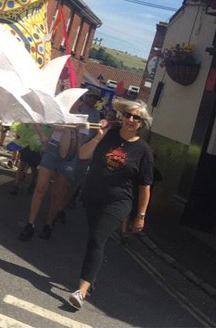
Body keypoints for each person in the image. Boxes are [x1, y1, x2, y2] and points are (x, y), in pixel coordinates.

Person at [66, 100, 154, 311]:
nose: (131, 120)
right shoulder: (107, 136)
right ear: (122, 117)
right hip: (93, 195)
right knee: (95, 239)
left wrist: (140, 215)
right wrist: (99, 136)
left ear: (141, 124)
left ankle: (81, 290)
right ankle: (91, 279)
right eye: (128, 115)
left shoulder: (143, 151)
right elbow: (82, 154)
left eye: (136, 118)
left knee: (97, 238)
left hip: (118, 202)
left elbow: (145, 186)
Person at [20, 125, 80, 239]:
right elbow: (40, 118)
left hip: (71, 151)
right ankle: (30, 224)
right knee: (40, 187)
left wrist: (68, 129)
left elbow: (80, 137)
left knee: (57, 193)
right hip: (52, 147)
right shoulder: (59, 107)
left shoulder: (86, 113)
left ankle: (49, 224)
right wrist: (42, 135)